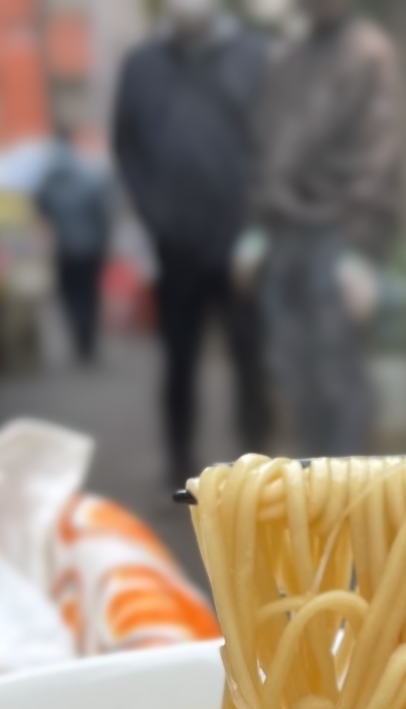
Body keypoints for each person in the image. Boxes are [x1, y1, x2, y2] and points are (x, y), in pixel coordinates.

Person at [114, 0, 270, 490]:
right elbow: (127, 146)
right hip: (175, 243)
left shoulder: (255, 56)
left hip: (241, 241)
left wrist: (261, 227)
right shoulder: (141, 65)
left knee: (251, 355)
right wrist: (154, 215)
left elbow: (275, 143)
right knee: (178, 358)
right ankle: (179, 464)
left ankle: (260, 473)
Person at [238, 0, 404, 459]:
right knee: (291, 372)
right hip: (284, 236)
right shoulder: (285, 58)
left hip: (338, 233)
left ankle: (352, 495)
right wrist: (256, 231)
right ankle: (313, 492)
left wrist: (362, 251)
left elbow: (380, 155)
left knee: (338, 376)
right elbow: (265, 148)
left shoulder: (368, 53)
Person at [35, 127, 113, 365]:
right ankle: (87, 338)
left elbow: (40, 205)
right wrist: (103, 242)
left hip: (65, 248)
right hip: (90, 248)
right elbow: (101, 214)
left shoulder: (50, 177)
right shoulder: (87, 176)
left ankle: (79, 335)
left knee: (70, 295)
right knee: (88, 295)